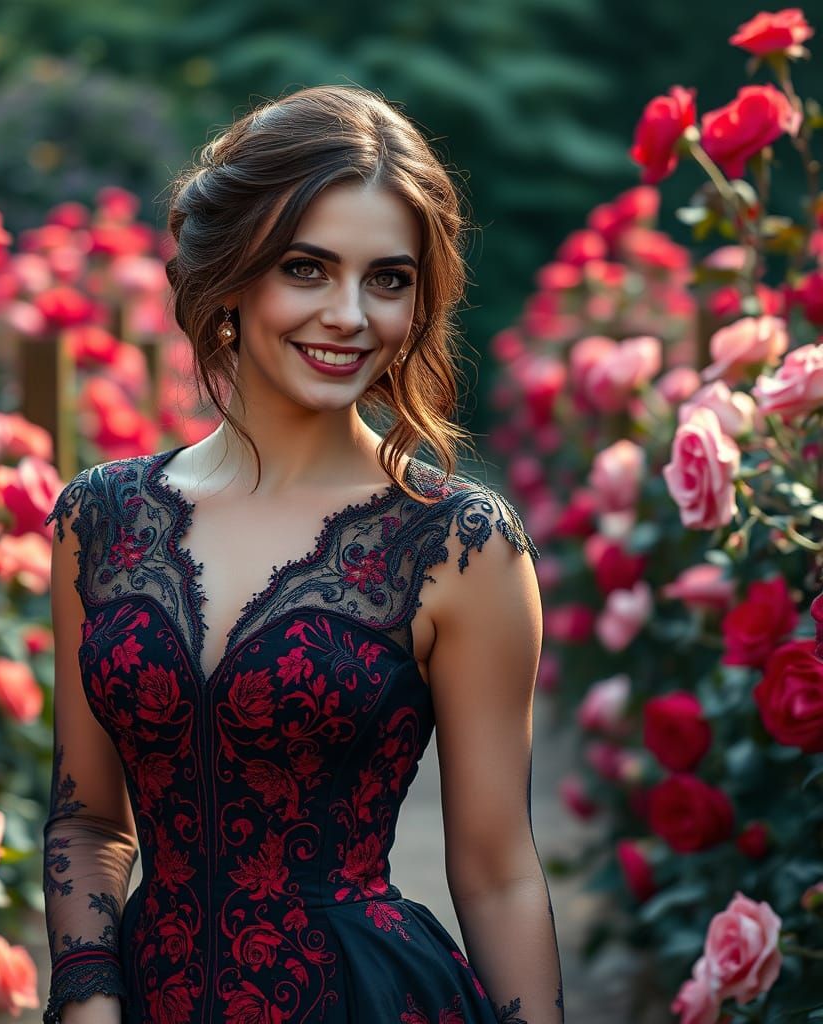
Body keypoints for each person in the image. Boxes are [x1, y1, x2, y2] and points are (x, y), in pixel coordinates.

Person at [42, 84, 563, 1024]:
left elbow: (496, 870)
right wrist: (86, 1000)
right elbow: (85, 820)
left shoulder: (460, 544)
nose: (351, 316)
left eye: (388, 279)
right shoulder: (100, 519)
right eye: (307, 268)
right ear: (231, 276)